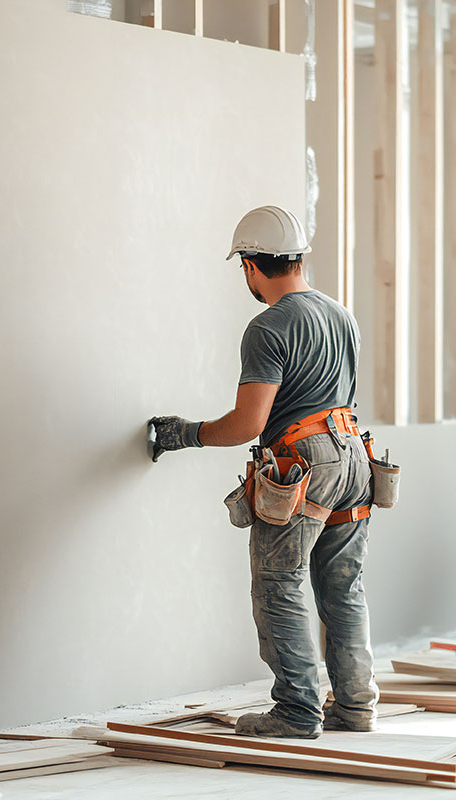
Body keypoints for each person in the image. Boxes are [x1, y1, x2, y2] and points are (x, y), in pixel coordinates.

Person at [148, 205, 378, 738]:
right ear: (297, 258)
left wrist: (185, 433)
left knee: (280, 583)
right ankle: (355, 706)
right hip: (354, 457)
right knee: (343, 588)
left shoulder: (268, 327)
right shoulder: (341, 315)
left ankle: (298, 712)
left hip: (303, 464)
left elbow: (248, 423)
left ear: (251, 265)